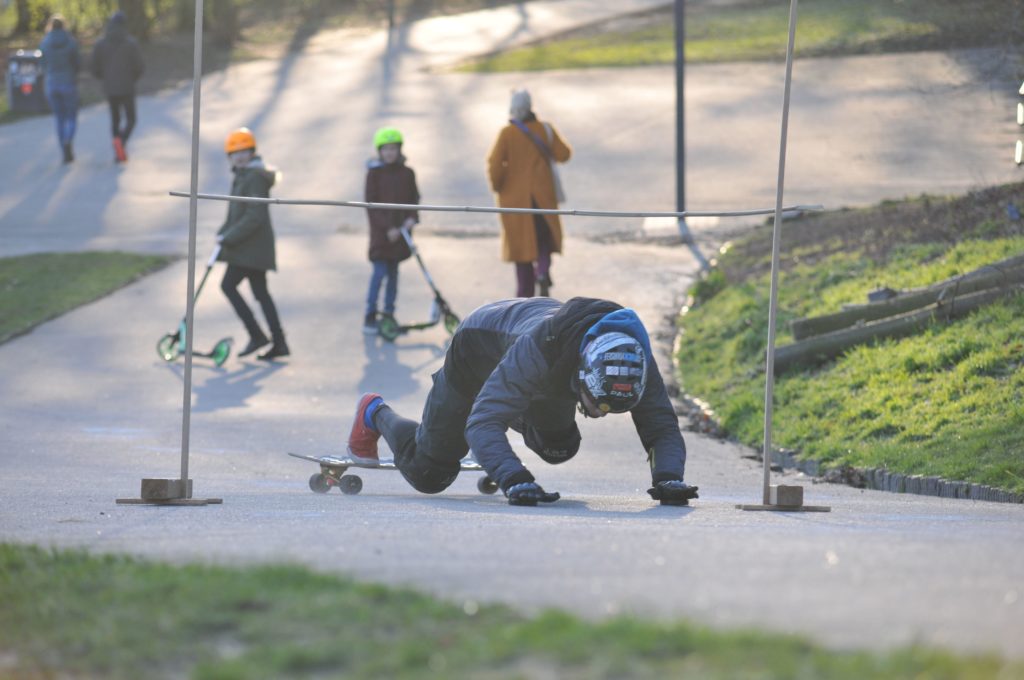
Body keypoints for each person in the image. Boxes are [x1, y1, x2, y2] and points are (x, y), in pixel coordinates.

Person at [346, 296, 699, 507]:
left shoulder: (631, 356)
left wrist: (668, 478)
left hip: (540, 369)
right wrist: (514, 478)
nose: (603, 414)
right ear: (583, 375)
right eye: (601, 405)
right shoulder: (539, 350)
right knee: (430, 474)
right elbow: (482, 421)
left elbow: (661, 426)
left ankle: (503, 422)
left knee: (560, 448)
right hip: (477, 353)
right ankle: (374, 412)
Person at [487, 89, 571, 298]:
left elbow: (494, 164)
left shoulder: (507, 134)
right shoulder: (545, 129)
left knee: (521, 251)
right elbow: (564, 154)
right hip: (542, 196)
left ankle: (523, 298)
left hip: (515, 201)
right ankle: (542, 272)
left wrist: (499, 186)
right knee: (544, 241)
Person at [216, 127, 289, 360]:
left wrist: (229, 237)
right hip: (248, 247)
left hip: (252, 248)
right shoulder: (243, 174)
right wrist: (223, 231)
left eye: (244, 151)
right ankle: (278, 342)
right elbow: (236, 212)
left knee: (228, 286)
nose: (239, 156)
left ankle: (257, 335)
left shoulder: (255, 176)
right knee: (261, 294)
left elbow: (254, 215)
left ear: (252, 152)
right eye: (234, 153)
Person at [362, 127, 420, 334]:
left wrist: (411, 219)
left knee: (394, 276)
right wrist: (388, 228)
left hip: (401, 235)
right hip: (382, 236)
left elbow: (415, 200)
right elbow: (370, 204)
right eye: (385, 149)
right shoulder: (374, 173)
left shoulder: (407, 173)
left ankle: (389, 315)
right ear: (379, 151)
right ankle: (370, 315)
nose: (389, 153)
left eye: (393, 148)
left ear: (399, 150)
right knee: (379, 274)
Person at [90, 11, 144, 163]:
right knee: (131, 119)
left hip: (110, 88)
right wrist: (131, 79)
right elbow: (139, 67)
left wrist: (105, 79)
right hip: (127, 88)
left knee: (115, 120)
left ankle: (118, 145)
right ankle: (122, 142)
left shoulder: (100, 44)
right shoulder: (131, 43)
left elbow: (94, 68)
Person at [38, 14, 80, 164]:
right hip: (68, 83)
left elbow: (42, 64)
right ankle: (69, 140)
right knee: (71, 117)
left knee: (59, 118)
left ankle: (63, 149)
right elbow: (77, 63)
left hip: (51, 84)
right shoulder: (70, 41)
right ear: (63, 25)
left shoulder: (44, 42)